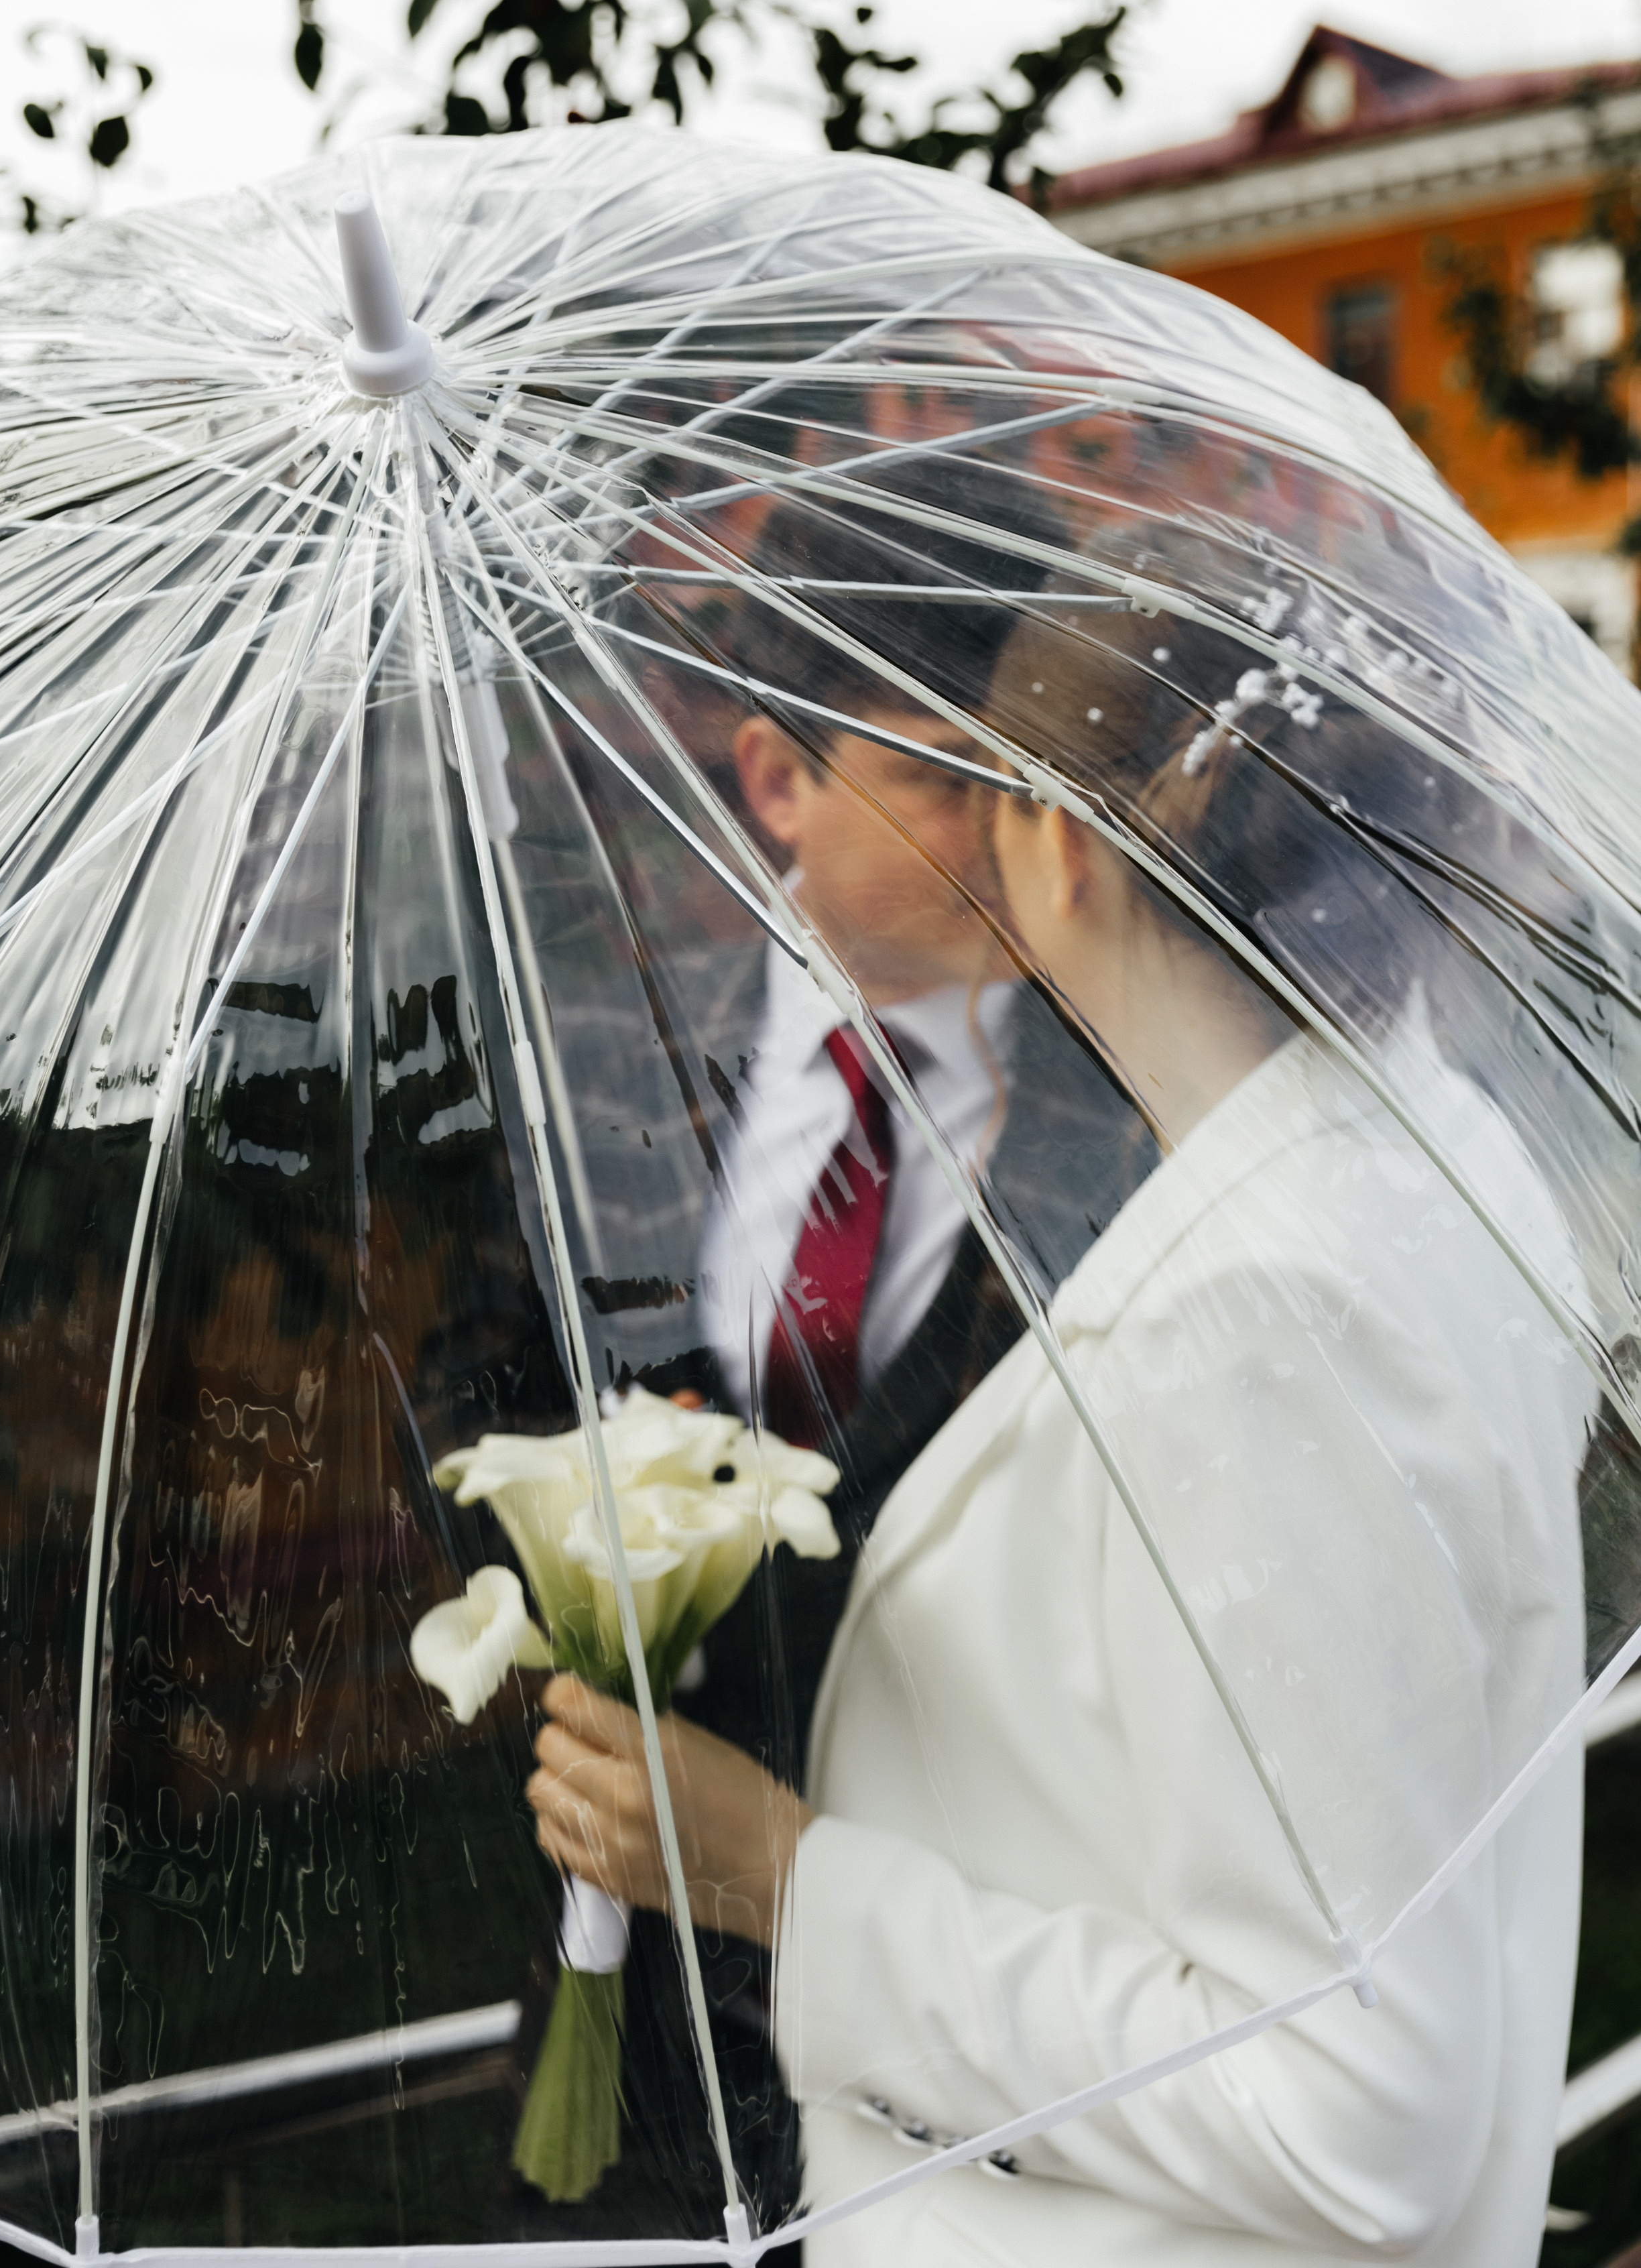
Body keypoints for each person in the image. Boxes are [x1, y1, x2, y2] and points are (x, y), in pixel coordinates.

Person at [524, 607, 1589, 2266]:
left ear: (1067, 852)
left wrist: (792, 1890)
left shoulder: (1253, 1324)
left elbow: (1355, 2104)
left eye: (989, 785)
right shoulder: (1429, 1152)